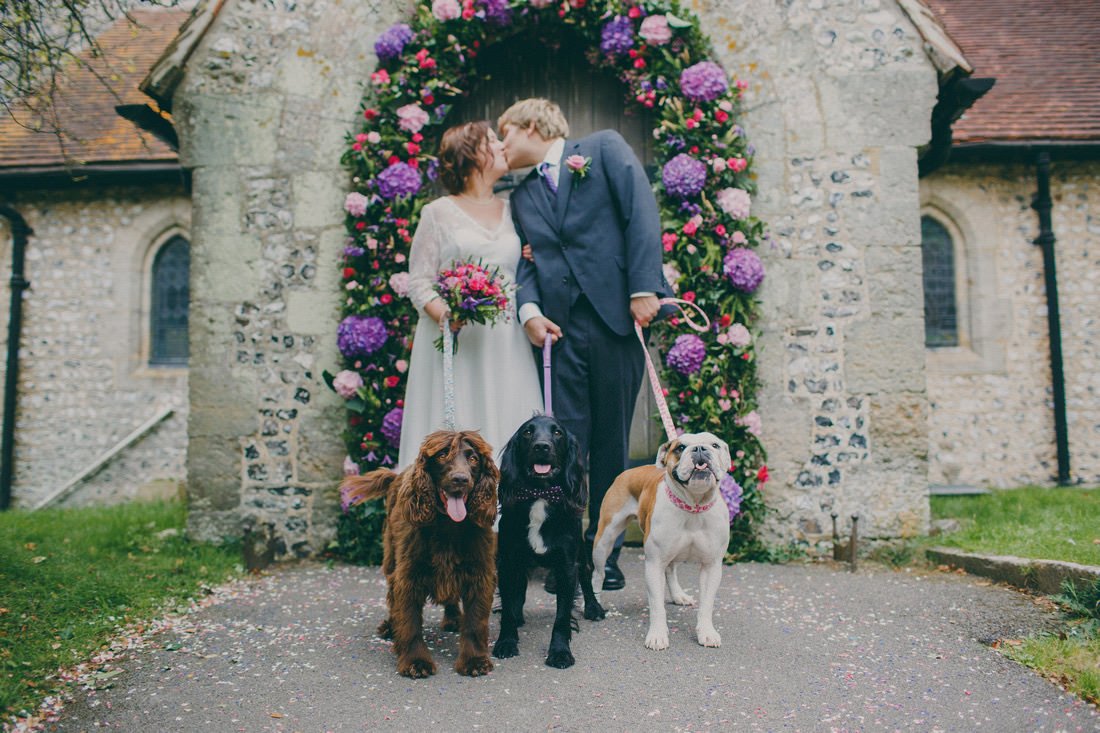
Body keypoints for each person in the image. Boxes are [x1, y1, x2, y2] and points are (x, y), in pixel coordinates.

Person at [498, 98, 669, 591]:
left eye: (505, 134)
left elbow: (641, 214)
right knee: (562, 449)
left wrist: (644, 289)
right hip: (559, 335)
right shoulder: (523, 195)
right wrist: (528, 312)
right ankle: (565, 559)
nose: (501, 145)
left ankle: (605, 556)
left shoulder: (603, 149)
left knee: (612, 443)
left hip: (616, 321)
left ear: (530, 126)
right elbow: (525, 263)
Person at [398, 121, 543, 468]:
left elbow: (526, 268)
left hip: (506, 343)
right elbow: (418, 281)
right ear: (469, 155)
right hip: (456, 343)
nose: (500, 146)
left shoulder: (515, 210)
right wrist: (446, 314)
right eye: (491, 141)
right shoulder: (437, 213)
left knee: (509, 415)